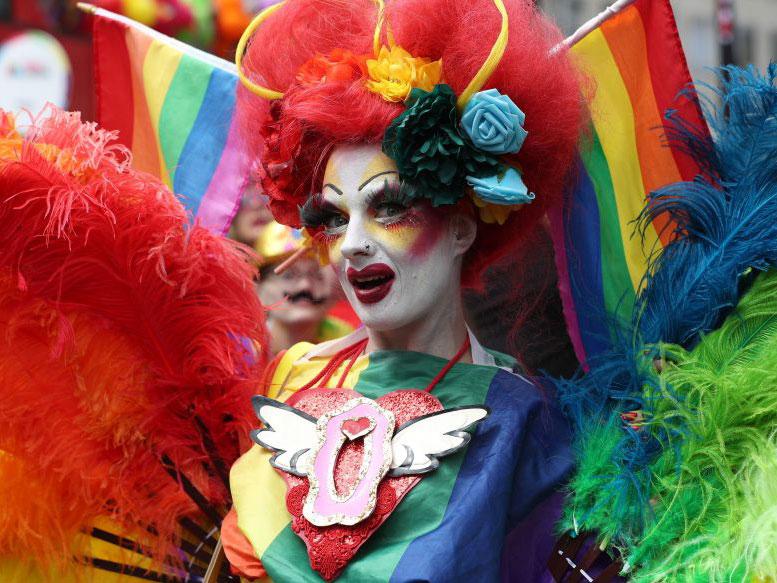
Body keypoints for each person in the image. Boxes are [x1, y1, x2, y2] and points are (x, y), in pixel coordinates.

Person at [220, 0, 584, 580]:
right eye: (333, 218)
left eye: (390, 206)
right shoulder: (293, 378)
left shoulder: (523, 422)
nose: (352, 244)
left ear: (462, 225)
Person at [254, 221, 353, 356]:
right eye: (288, 276)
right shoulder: (240, 352)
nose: (305, 286)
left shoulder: (348, 343)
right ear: (259, 288)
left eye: (317, 275)